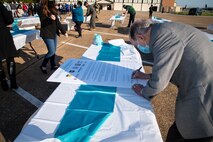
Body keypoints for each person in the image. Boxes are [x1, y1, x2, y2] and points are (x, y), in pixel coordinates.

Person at [129, 20, 213, 141]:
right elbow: (172, 66)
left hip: (204, 91)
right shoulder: (162, 29)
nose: (140, 48)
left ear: (141, 37)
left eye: (137, 45)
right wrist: (147, 76)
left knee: (194, 131)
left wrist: (143, 91)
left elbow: (159, 82)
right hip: (202, 80)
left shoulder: (163, 37)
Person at [38, 0, 68, 74]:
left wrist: (64, 32)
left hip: (53, 33)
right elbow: (43, 22)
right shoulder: (41, 9)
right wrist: (49, 19)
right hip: (46, 33)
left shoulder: (53, 9)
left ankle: (53, 64)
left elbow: (57, 22)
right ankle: (43, 65)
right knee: (51, 51)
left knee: (53, 50)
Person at [0, 2, 19, 90]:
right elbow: (9, 20)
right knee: (10, 58)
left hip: (3, 34)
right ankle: (13, 82)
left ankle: (4, 82)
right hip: (3, 34)